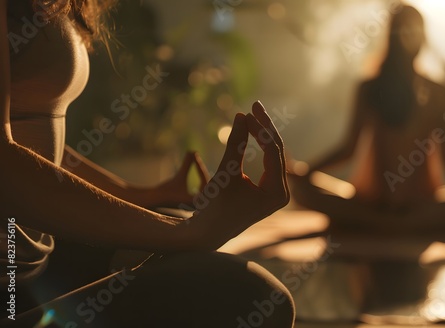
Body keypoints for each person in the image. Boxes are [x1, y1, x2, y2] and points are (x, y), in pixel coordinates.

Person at [0, 1, 295, 327]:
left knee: (178, 235)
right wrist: (189, 233)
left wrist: (144, 195)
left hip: (31, 264)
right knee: (252, 294)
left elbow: (29, 146)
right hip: (9, 291)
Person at [290, 5, 445, 233]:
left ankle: (383, 224)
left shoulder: (437, 91)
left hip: (416, 204)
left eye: (415, 31)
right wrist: (305, 172)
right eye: (404, 31)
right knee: (302, 189)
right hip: (375, 202)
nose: (410, 38)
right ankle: (405, 225)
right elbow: (348, 149)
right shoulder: (368, 88)